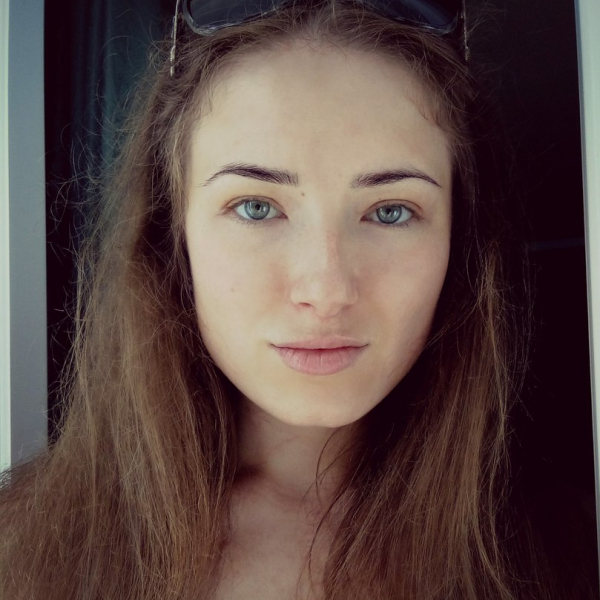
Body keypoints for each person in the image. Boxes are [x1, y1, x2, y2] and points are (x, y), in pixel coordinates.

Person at [0, 1, 597, 599]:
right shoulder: (21, 553)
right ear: (172, 234)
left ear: (458, 241)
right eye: (256, 207)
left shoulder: (569, 557)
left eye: (390, 211)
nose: (326, 290)